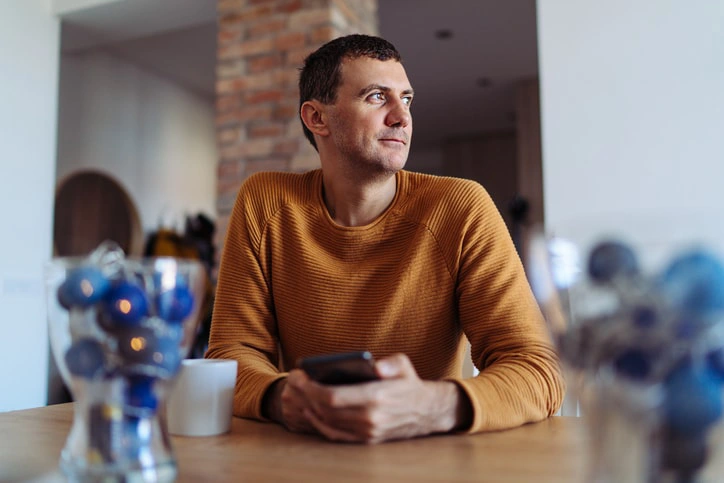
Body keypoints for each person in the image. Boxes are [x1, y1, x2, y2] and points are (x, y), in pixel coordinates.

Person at [206, 34, 564, 444]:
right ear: (316, 118)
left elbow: (539, 369)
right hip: (304, 454)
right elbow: (229, 358)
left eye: (406, 99)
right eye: (377, 97)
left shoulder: (460, 207)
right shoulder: (265, 202)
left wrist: (430, 406)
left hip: (430, 458)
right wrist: (281, 396)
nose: (402, 117)